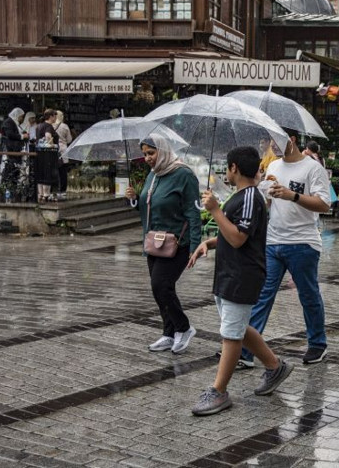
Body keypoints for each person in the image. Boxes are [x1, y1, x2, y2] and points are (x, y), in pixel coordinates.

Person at [188, 146, 293, 416]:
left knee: (231, 335)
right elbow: (231, 234)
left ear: (234, 168)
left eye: (227, 166)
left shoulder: (249, 197)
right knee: (238, 327)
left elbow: (239, 237)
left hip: (241, 275)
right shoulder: (241, 196)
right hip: (229, 272)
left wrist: (214, 211)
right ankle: (274, 366)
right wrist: (209, 243)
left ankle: (219, 391)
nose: (225, 171)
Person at [243, 129, 332, 367]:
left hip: (303, 242)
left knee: (308, 294)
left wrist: (292, 195)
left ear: (291, 140)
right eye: (271, 141)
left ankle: (317, 344)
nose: (273, 145)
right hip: (274, 241)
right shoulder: (273, 167)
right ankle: (246, 350)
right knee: (262, 295)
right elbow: (268, 201)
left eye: (277, 141)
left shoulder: (313, 169)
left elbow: (324, 204)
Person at [125, 134, 202, 354]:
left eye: (151, 152)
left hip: (177, 243)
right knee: (159, 289)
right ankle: (169, 333)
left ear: (163, 150)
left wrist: (195, 246)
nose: (148, 158)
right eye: (145, 154)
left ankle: (184, 328)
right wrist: (134, 199)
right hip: (154, 242)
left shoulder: (183, 175)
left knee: (161, 285)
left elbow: (193, 213)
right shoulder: (154, 174)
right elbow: (150, 205)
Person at [0, 107, 28, 188]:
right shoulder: (9, 122)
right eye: (21, 116)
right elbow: (10, 134)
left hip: (15, 150)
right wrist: (22, 136)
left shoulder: (14, 123)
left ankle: (13, 186)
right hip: (9, 150)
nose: (22, 118)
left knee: (15, 168)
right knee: (9, 168)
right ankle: (5, 186)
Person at [35, 109, 59, 202]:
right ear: (51, 116)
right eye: (55, 116)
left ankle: (40, 194)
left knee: (40, 173)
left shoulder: (39, 126)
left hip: (39, 153)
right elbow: (48, 136)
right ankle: (46, 194)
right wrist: (53, 144)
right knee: (47, 173)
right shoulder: (49, 126)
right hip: (47, 154)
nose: (55, 118)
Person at [54, 111, 73, 201]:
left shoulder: (52, 125)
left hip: (54, 150)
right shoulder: (65, 126)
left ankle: (54, 189)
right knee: (63, 171)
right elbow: (69, 140)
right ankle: (63, 190)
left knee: (54, 170)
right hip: (63, 150)